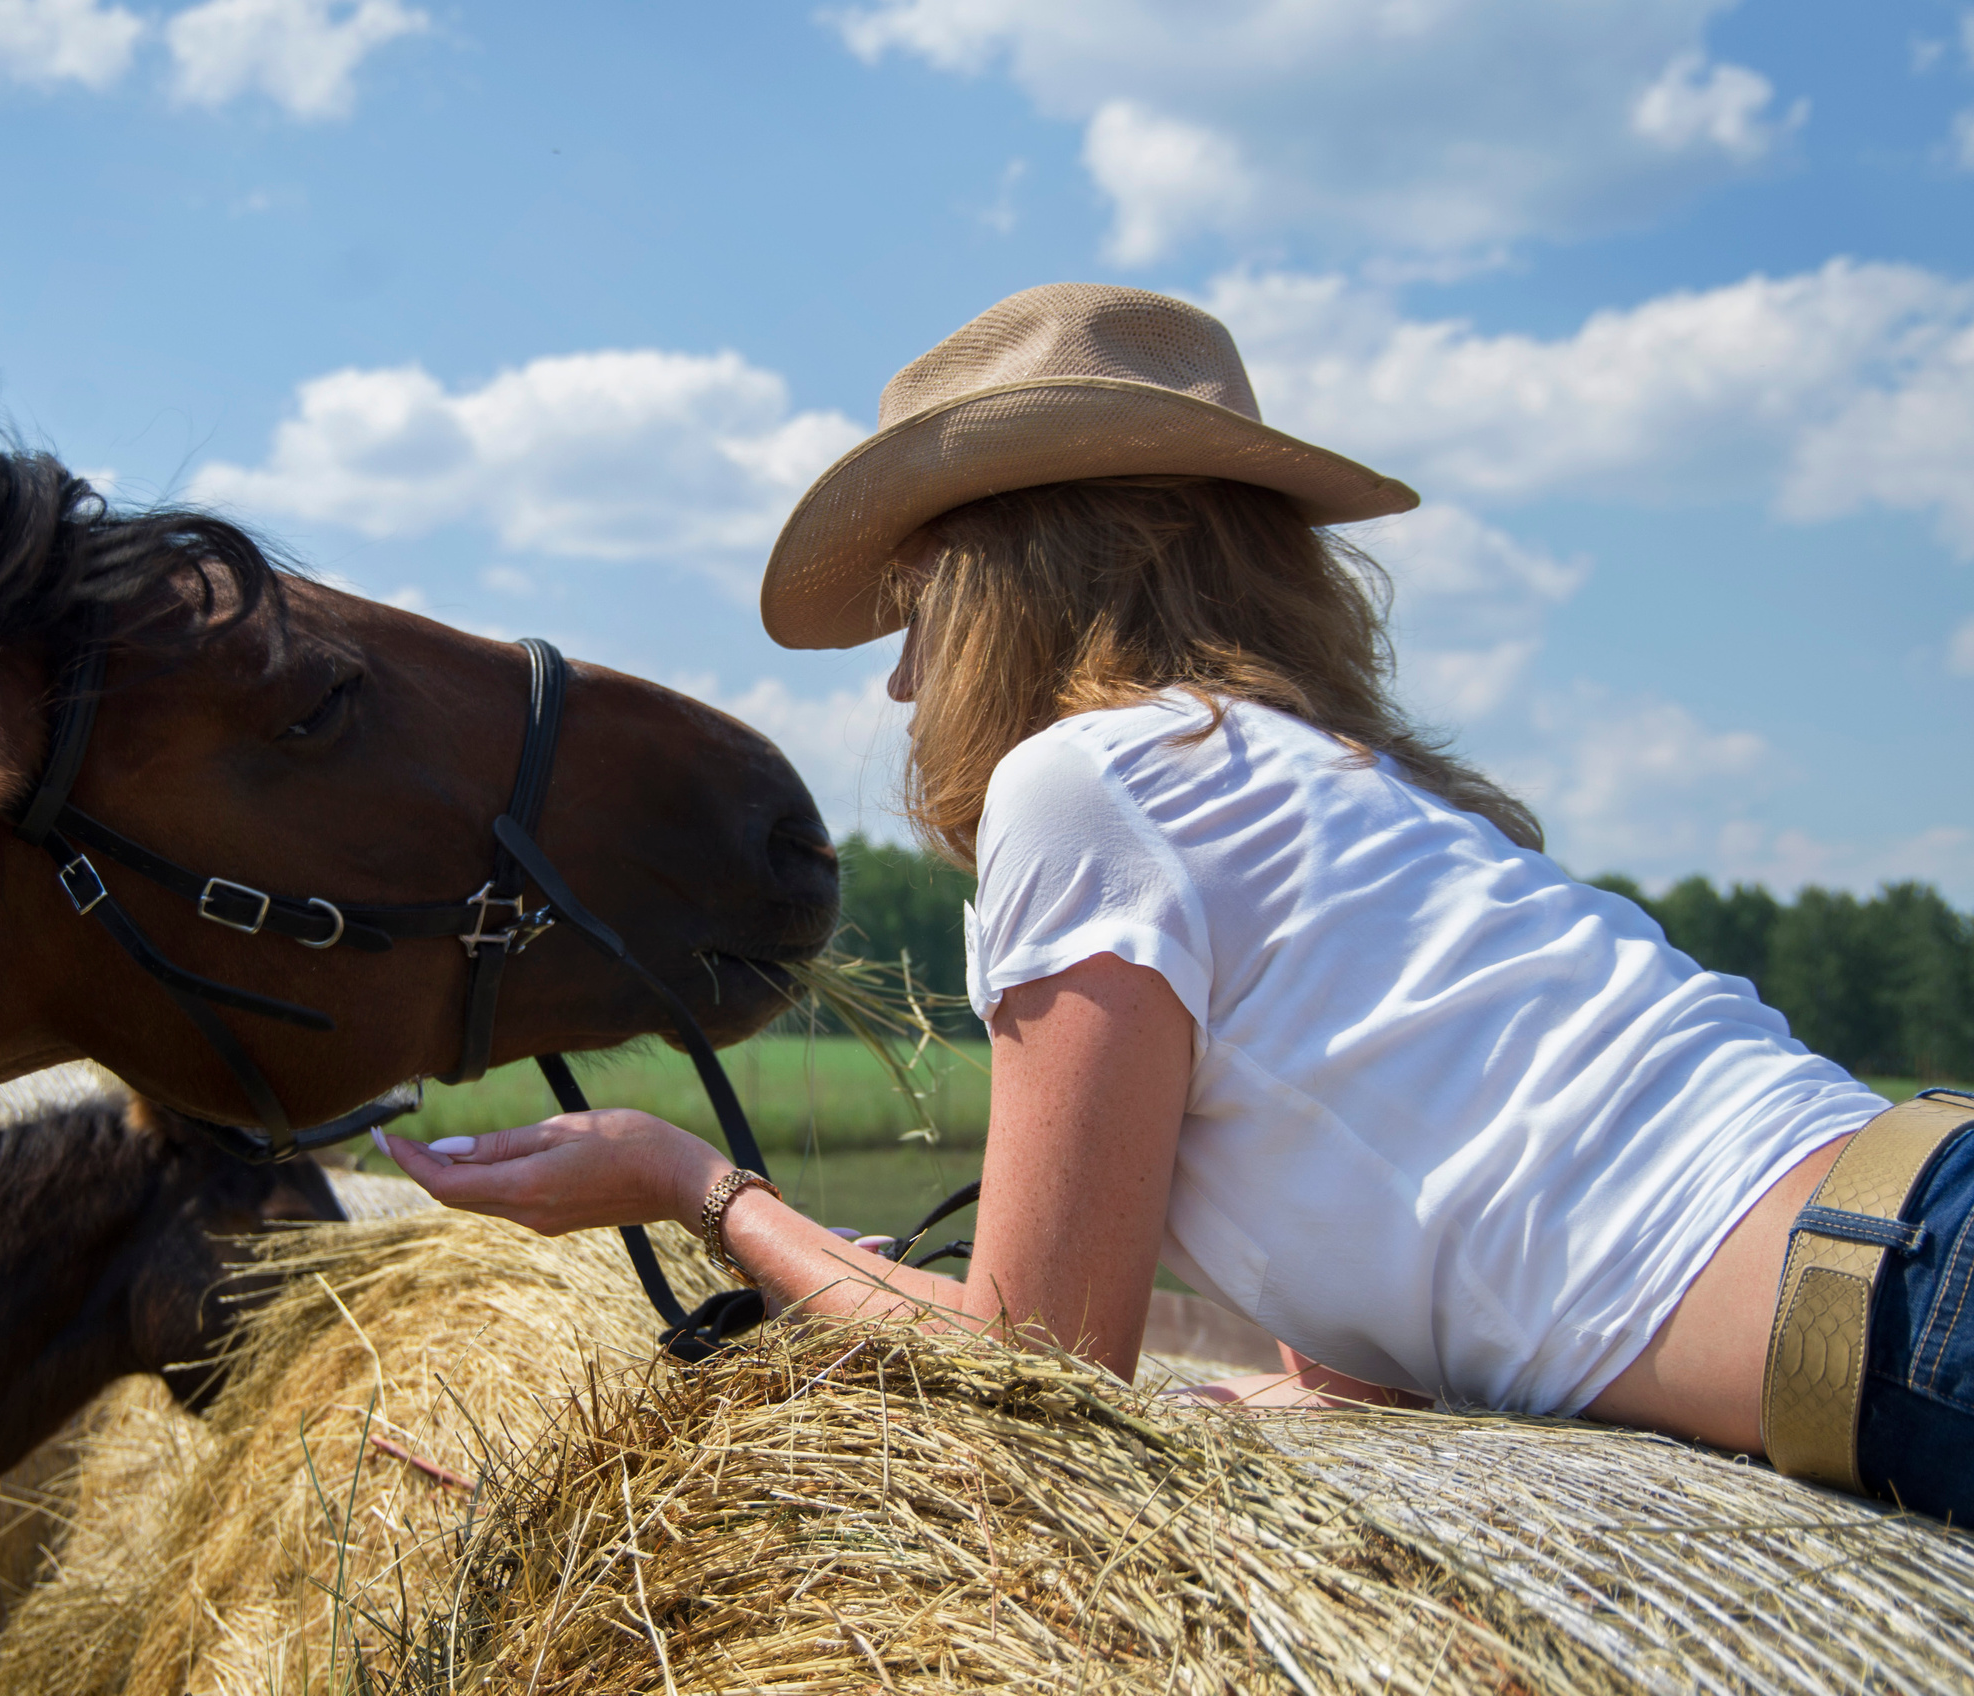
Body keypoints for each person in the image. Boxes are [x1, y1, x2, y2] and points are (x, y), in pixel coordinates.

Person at [382, 284, 1973, 1517]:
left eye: (921, 609)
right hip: (1917, 1239)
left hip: (1915, 1312)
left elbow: (1040, 1367)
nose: (900, 679)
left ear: (1022, 578)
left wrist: (697, 1186)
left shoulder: (1088, 782)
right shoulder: (1325, 781)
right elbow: (1388, 1319)